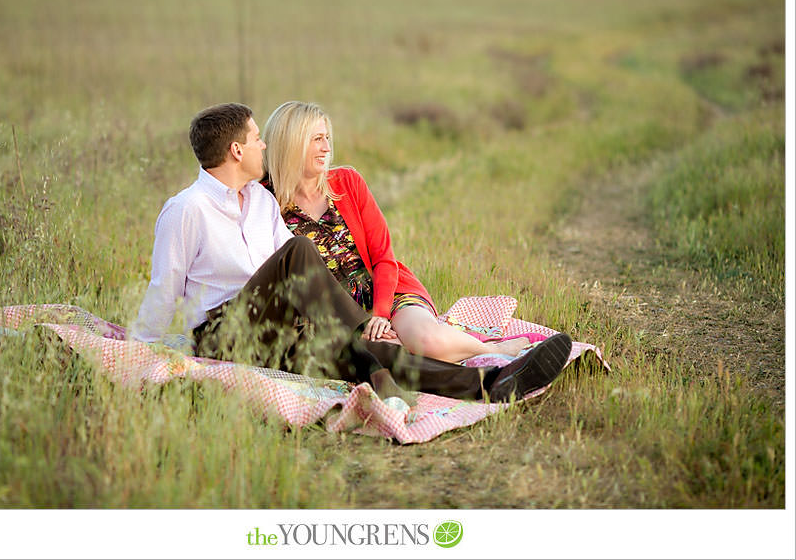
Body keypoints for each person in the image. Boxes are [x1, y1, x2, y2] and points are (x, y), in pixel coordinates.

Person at [132, 102, 572, 404]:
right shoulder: (186, 209)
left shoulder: (261, 203)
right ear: (236, 150)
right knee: (301, 253)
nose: (262, 144)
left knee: (361, 355)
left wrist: (347, 330)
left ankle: (491, 383)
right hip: (224, 334)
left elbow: (312, 277)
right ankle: (363, 338)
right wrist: (142, 353)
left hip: (278, 331)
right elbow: (164, 287)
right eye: (255, 138)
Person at [262, 100, 540, 364]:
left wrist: (381, 315)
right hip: (337, 316)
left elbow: (384, 256)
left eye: (327, 138)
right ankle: (466, 356)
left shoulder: (347, 182)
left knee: (426, 341)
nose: (326, 148)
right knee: (394, 355)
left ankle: (492, 349)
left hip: (388, 295)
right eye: (316, 139)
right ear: (292, 143)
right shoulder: (264, 201)